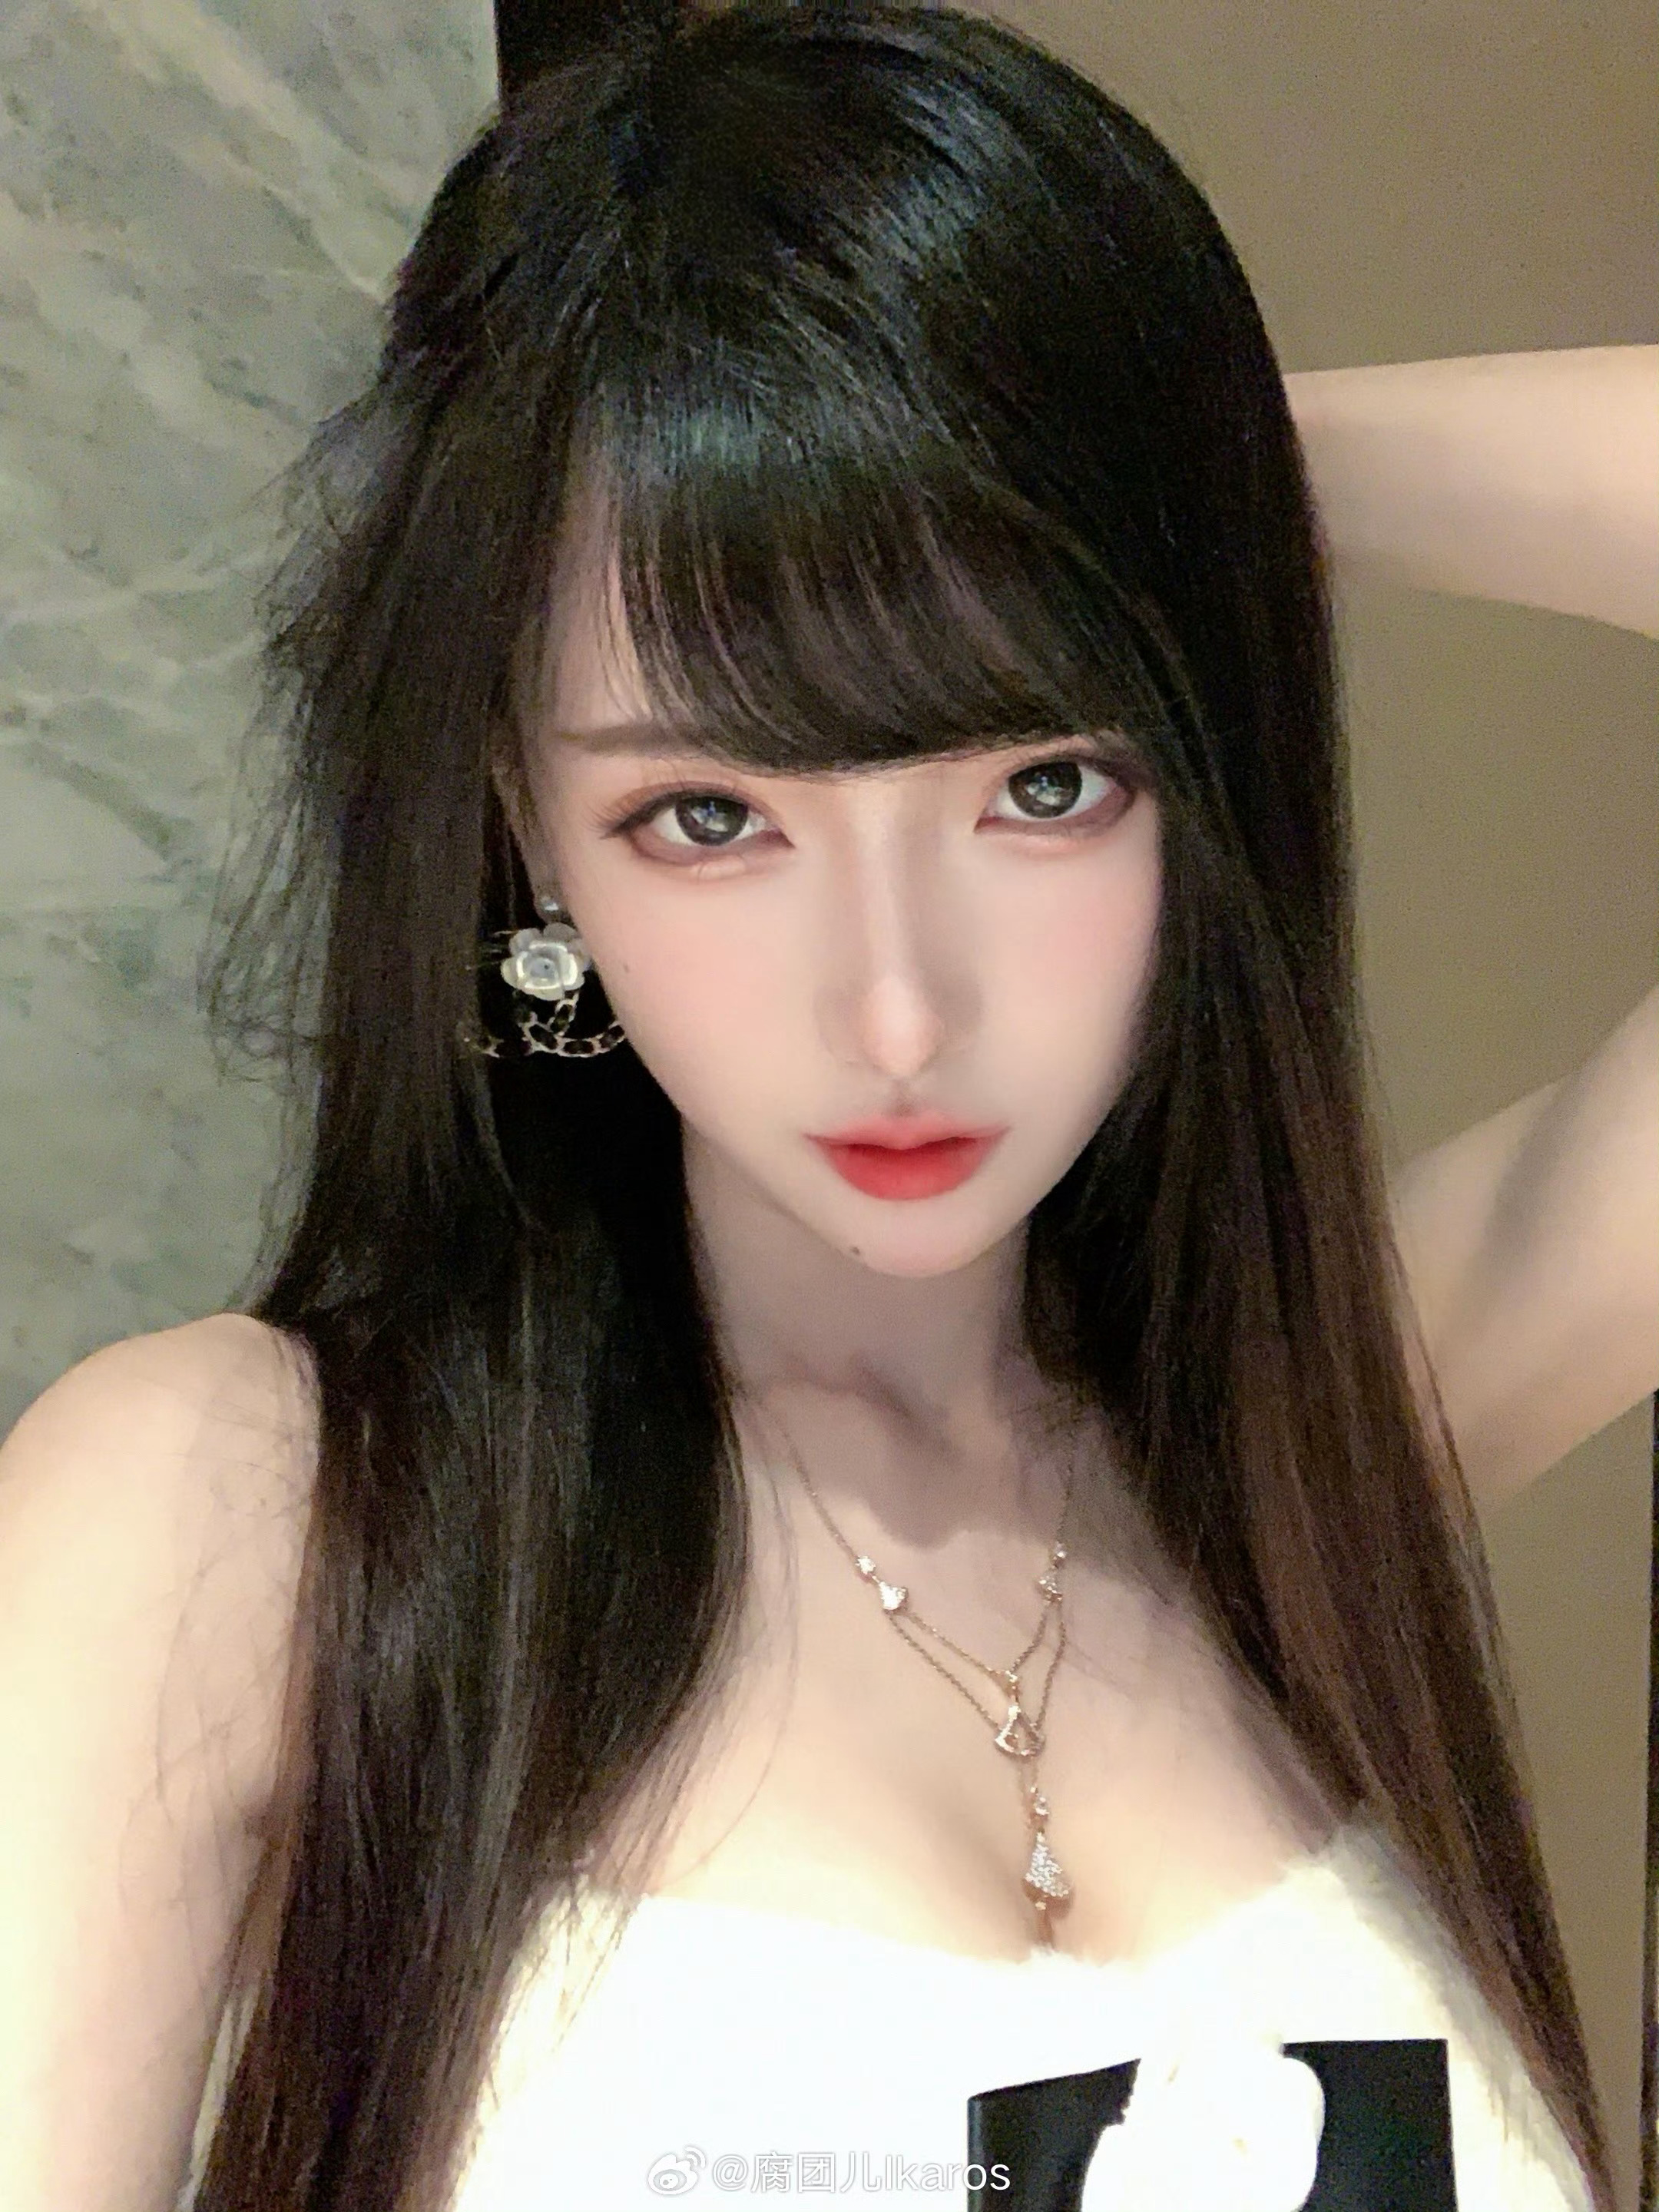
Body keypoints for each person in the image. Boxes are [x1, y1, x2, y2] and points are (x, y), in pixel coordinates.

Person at [0, 3, 1652, 2209]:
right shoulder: (245, 1521)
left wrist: (1157, 483)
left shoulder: (1301, 1434)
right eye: (709, 816)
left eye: (1040, 785)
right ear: (528, 835)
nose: (896, 1009)